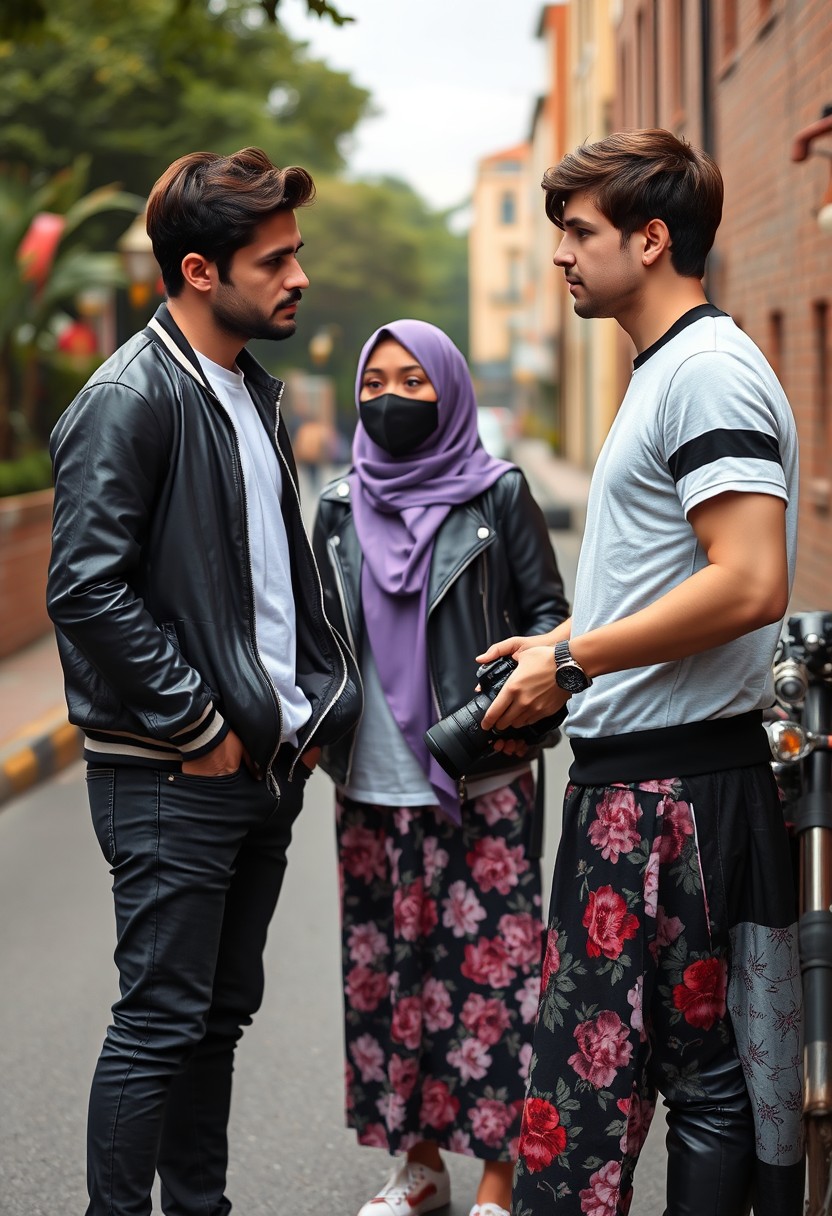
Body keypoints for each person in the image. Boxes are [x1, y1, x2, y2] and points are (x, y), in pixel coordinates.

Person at [476, 130, 803, 1215]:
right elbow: (671, 578)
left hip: (674, 794)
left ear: (650, 239)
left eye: (578, 233)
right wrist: (566, 646)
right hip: (652, 780)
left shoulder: (704, 371)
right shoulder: (670, 368)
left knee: (690, 1082)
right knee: (642, 1081)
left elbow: (749, 581)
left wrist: (574, 656)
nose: (560, 254)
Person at [46, 147, 361, 1216]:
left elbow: (271, 584)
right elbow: (85, 589)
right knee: (158, 1021)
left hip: (258, 768)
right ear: (197, 269)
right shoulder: (129, 399)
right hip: (175, 772)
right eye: (274, 260)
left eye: (295, 255)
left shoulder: (247, 393)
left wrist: (309, 711)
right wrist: (196, 721)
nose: (298, 277)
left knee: (215, 1018)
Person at [312, 319, 570, 1216]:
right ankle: (419, 1168)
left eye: (415, 382)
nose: (392, 398)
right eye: (376, 380)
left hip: (478, 785)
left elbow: (551, 624)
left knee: (494, 980)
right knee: (391, 985)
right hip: (367, 792)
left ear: (451, 391)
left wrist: (502, 723)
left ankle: (502, 1177)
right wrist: (314, 724)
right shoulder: (340, 506)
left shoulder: (498, 494)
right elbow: (315, 643)